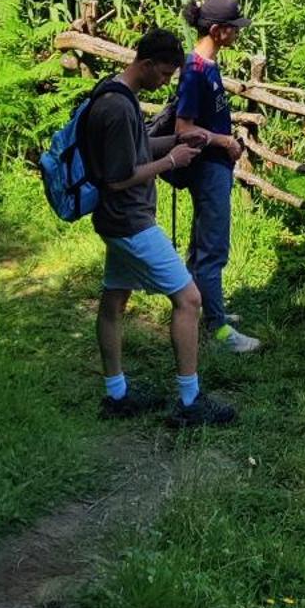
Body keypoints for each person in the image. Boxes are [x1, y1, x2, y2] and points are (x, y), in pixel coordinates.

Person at [81, 28, 237, 429]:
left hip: (118, 222)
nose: (166, 82)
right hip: (130, 222)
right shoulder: (117, 108)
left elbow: (134, 151)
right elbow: (118, 178)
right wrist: (173, 161)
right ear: (147, 64)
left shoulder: (113, 92)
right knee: (188, 299)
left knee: (114, 300)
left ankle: (116, 393)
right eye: (165, 74)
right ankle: (190, 400)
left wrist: (174, 143)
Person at [175, 0, 261, 356]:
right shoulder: (195, 72)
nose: (237, 33)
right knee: (213, 249)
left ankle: (207, 308)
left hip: (215, 165)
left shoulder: (208, 65)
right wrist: (224, 141)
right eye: (232, 28)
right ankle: (219, 329)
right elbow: (183, 127)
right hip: (208, 168)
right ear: (216, 30)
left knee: (202, 246)